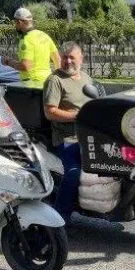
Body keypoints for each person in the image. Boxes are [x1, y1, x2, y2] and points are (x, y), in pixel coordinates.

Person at [43, 41, 93, 222]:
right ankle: (59, 216)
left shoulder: (86, 77)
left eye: (72, 57)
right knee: (74, 173)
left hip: (89, 136)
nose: (68, 61)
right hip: (67, 138)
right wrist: (77, 116)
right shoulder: (55, 80)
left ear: (81, 58)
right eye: (64, 57)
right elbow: (50, 112)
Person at [1, 7, 61, 89]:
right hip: (48, 82)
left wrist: (8, 61)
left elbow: (26, 66)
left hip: (32, 85)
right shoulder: (44, 35)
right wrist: (57, 79)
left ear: (19, 22)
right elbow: (57, 59)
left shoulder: (26, 39)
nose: (15, 25)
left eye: (15, 22)